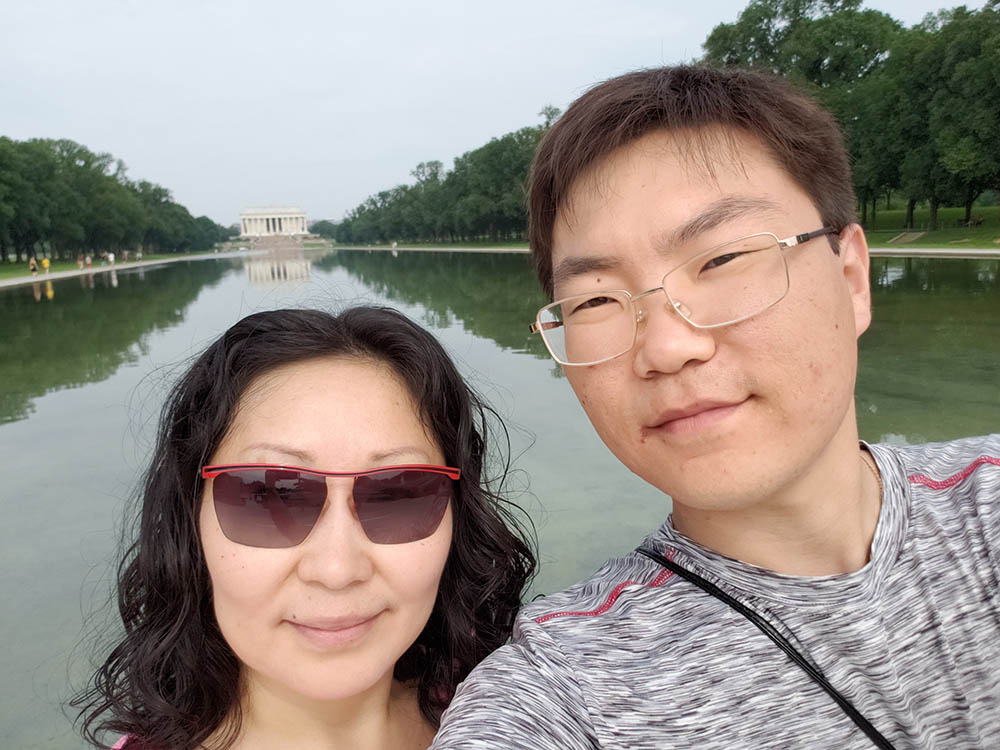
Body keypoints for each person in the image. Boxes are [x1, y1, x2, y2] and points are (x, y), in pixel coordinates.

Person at [433, 66, 1000, 749]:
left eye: (724, 258)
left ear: (852, 278)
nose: (667, 348)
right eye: (596, 301)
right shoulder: (564, 692)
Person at [73, 306, 536, 750]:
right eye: (268, 495)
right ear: (190, 524)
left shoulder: (530, 704)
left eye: (399, 494)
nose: (336, 569)